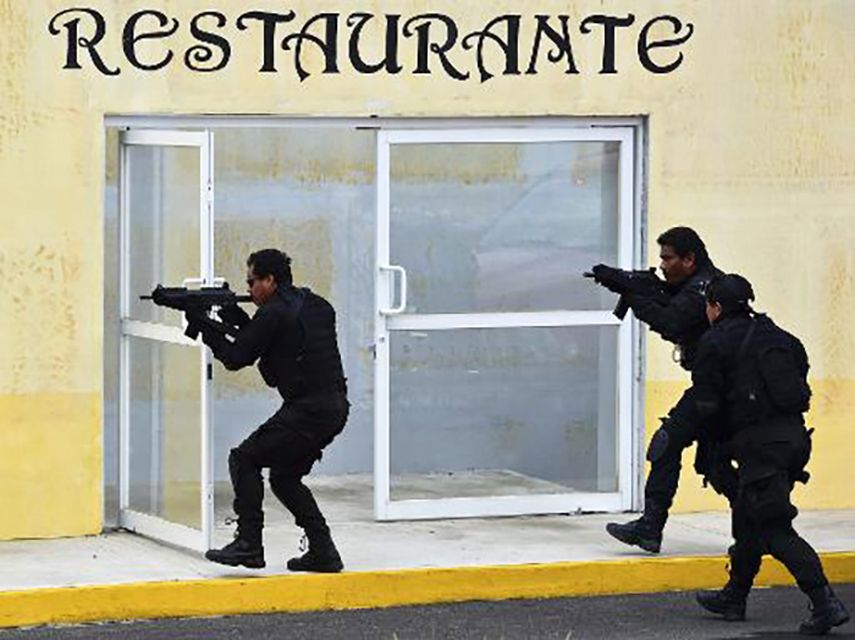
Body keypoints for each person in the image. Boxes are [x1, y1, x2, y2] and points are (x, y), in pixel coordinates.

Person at [692, 274, 849, 635]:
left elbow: (708, 405)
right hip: (792, 441)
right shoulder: (782, 338)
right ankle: (735, 596)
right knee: (749, 516)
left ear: (715, 308)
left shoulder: (715, 342)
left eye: (708, 306)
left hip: (760, 448)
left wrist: (711, 450)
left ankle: (825, 602)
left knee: (774, 527)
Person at [198, 248, 349, 573]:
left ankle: (249, 544)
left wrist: (204, 327)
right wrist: (238, 320)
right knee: (284, 476)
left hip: (309, 411)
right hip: (334, 409)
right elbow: (278, 342)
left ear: (270, 280)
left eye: (252, 281)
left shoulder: (274, 313)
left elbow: (237, 357)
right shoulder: (317, 305)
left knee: (244, 458)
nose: (248, 288)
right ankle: (323, 551)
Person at [590, 227, 729, 553]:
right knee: (715, 464)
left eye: (668, 258)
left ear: (689, 259)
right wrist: (624, 280)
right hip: (713, 385)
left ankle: (653, 526)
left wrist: (635, 295)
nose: (663, 265)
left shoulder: (703, 289)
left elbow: (671, 322)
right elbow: (668, 296)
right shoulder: (696, 284)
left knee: (676, 447)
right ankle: (651, 528)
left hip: (722, 388)